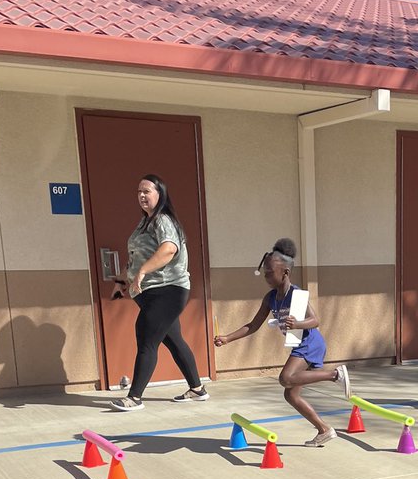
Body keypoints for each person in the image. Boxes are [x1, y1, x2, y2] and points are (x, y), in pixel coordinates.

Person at [214, 238, 350, 446]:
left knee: (286, 378)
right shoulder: (270, 298)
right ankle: (324, 430)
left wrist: (297, 324)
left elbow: (316, 321)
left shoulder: (296, 295)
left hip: (310, 343)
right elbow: (253, 325)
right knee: (291, 395)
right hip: (299, 345)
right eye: (265, 272)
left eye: (270, 272)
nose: (266, 277)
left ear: (285, 272)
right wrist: (227, 338)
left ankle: (335, 375)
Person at [109, 174, 206, 412]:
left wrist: (141, 272)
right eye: (139, 192)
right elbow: (136, 258)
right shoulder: (145, 222)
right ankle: (197, 388)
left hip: (168, 290)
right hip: (153, 292)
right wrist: (122, 279)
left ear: (159, 194)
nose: (142, 196)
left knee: (146, 338)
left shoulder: (163, 220)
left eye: (147, 191)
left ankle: (134, 398)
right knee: (173, 340)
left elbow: (168, 249)